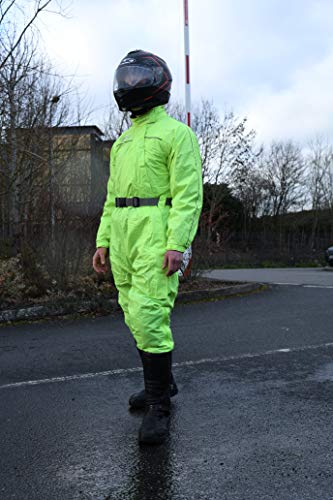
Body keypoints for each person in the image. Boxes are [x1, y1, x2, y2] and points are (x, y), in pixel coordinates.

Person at [92, 50, 203, 445]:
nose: (130, 85)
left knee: (150, 313)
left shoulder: (177, 135)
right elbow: (111, 196)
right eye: (126, 77)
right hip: (122, 233)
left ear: (157, 83)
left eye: (138, 77)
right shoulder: (121, 143)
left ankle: (159, 406)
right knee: (131, 311)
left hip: (156, 230)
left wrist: (178, 243)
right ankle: (163, 382)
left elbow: (188, 195)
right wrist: (103, 240)